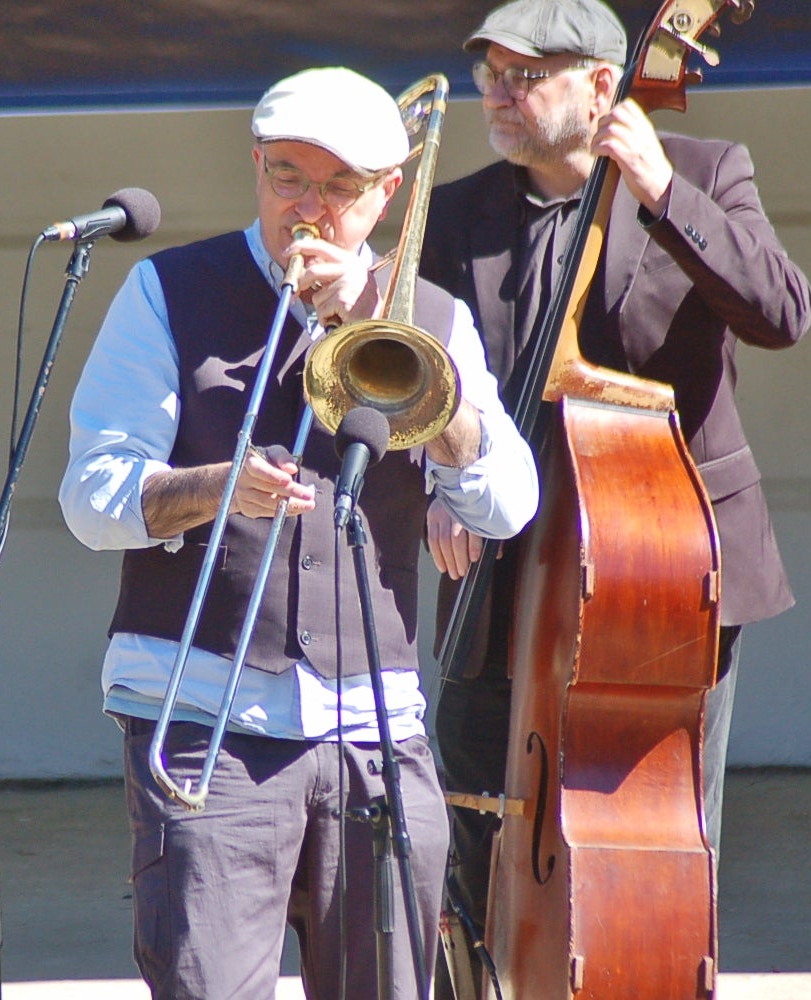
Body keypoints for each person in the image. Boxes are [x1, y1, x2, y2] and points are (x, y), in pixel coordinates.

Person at [59, 66, 539, 1000]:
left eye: (341, 188)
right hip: (208, 726)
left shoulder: (429, 316)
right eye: (288, 178)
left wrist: (414, 382)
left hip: (375, 735)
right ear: (255, 168)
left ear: (387, 194)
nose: (310, 209)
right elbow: (90, 498)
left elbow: (509, 503)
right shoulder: (168, 292)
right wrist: (214, 489)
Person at [417, 0, 811, 990]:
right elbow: (424, 378)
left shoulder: (709, 170)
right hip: (503, 566)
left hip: (659, 573)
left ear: (604, 85)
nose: (496, 97)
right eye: (487, 76)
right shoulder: (458, 210)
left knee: (657, 841)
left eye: (525, 75)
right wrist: (432, 474)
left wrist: (662, 188)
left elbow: (781, 311)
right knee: (471, 835)